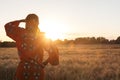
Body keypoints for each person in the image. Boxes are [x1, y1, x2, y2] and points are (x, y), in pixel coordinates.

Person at [4, 14, 59, 80]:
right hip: (37, 72)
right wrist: (44, 63)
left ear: (26, 22)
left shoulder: (20, 33)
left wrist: (21, 21)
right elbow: (55, 56)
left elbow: (7, 26)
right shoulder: (42, 37)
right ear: (38, 23)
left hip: (22, 70)